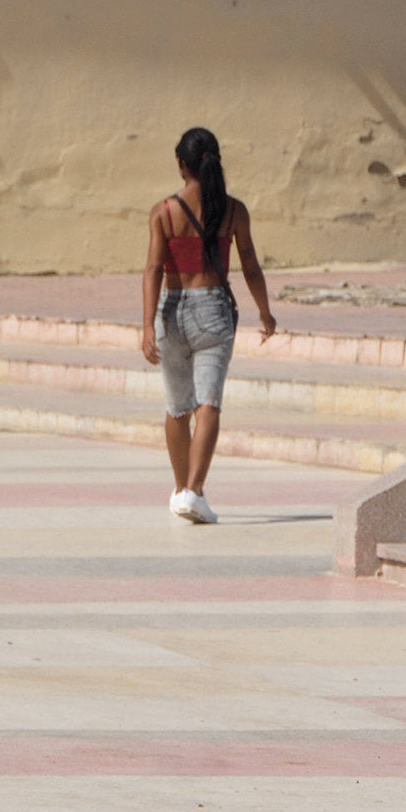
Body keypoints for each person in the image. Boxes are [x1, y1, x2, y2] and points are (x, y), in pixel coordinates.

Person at [140, 127, 277, 524]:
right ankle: (194, 491)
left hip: (173, 309)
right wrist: (265, 312)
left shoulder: (163, 212)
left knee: (176, 406)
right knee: (208, 403)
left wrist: (147, 326)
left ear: (181, 165)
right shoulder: (234, 210)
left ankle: (183, 489)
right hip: (214, 310)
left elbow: (152, 270)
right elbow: (250, 264)